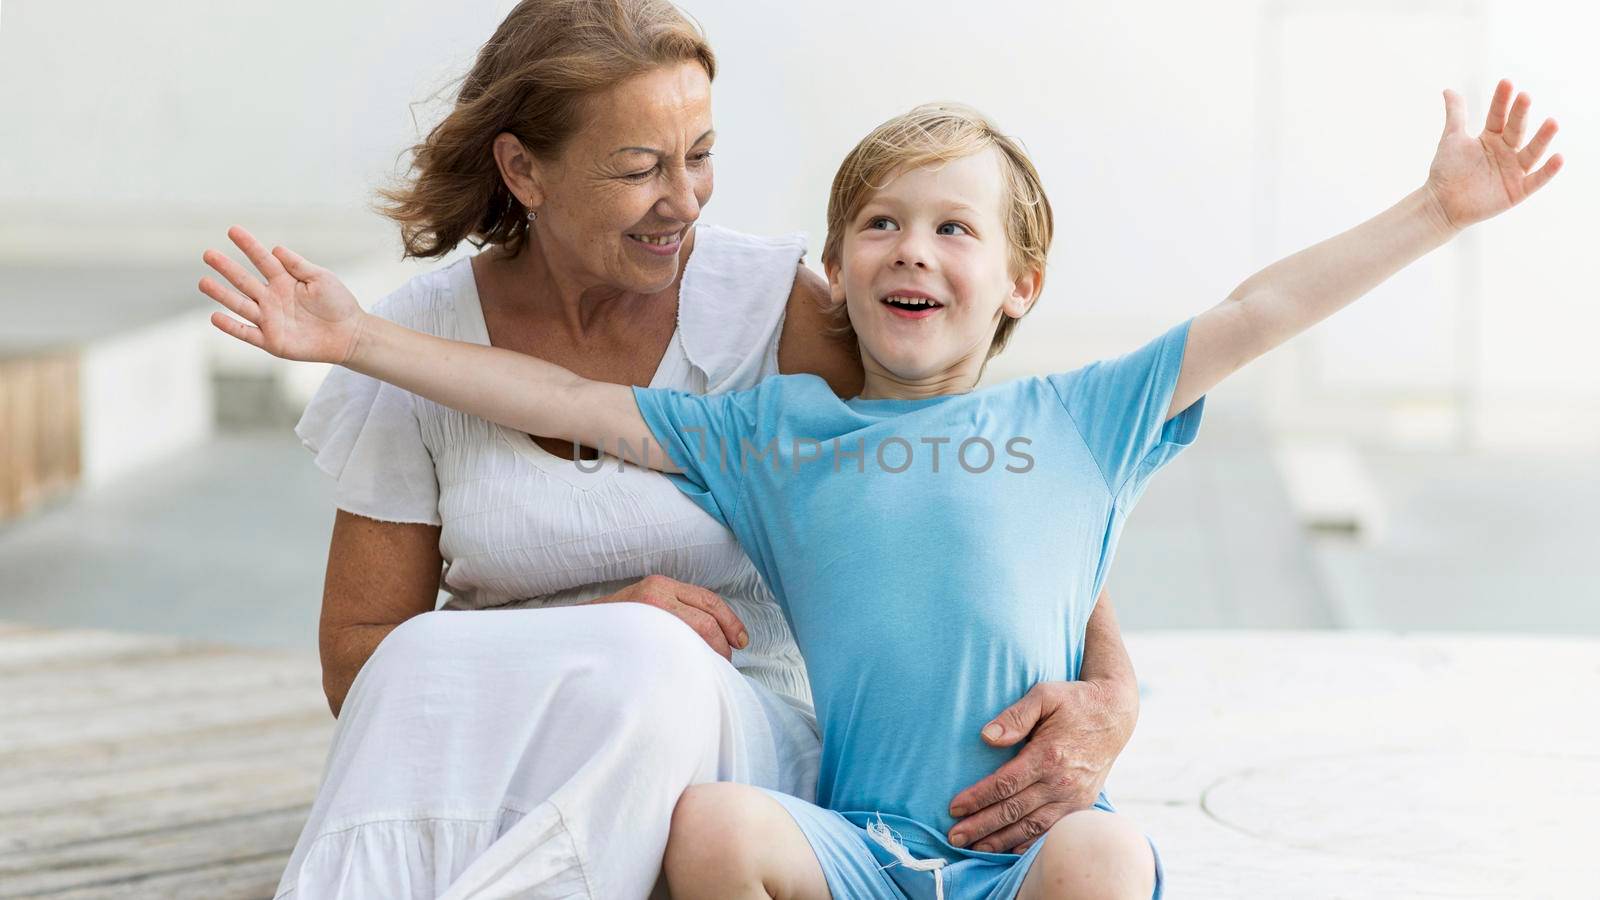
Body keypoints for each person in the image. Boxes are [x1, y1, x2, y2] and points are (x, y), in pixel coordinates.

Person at [201, 77, 1561, 898]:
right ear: (838, 273)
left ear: (1021, 283)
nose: (914, 250)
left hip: (1025, 857)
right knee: (716, 829)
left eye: (954, 227)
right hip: (853, 850)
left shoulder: (1086, 415)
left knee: (1102, 862)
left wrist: (1436, 212)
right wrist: (354, 338)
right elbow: (567, 406)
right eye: (881, 225)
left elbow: (1261, 308)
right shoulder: (777, 437)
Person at [231, 1, 1146, 896]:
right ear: (523, 170)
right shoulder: (410, 345)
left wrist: (1112, 689)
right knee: (575, 654)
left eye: (700, 156)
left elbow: (968, 477)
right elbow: (362, 668)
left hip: (732, 762)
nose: (685, 200)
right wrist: (590, 628)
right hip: (503, 748)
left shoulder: (779, 313)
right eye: (638, 169)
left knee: (657, 661)